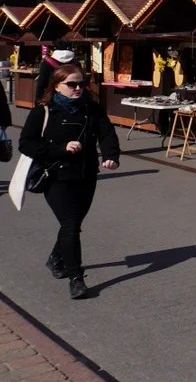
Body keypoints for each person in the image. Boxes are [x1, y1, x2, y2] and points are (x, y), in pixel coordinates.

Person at [18, 64, 120, 299]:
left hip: (85, 176)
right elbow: (27, 144)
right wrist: (60, 149)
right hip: (55, 177)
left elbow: (107, 134)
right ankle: (76, 278)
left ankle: (56, 257)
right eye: (71, 84)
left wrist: (111, 156)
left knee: (72, 225)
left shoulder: (92, 109)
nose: (77, 88)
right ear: (57, 86)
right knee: (71, 224)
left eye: (81, 84)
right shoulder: (43, 111)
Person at [34, 40, 76, 105]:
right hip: (73, 97)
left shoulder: (46, 63)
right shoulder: (75, 63)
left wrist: (38, 101)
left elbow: (41, 84)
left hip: (52, 98)